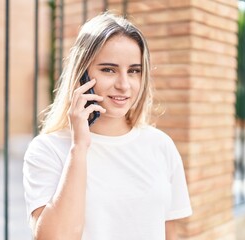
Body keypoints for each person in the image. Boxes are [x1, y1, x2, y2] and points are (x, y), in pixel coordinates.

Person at [23, 12, 192, 240]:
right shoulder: (47, 150)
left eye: (134, 71)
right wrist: (79, 147)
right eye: (108, 70)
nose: (124, 85)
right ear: (81, 75)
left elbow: (169, 231)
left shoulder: (161, 145)